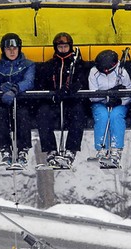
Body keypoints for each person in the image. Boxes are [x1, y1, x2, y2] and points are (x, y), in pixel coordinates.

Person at [35, 32, 87, 169]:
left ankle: (71, 150)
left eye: (65, 47)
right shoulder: (49, 66)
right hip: (54, 103)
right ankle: (51, 150)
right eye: (60, 47)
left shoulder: (77, 65)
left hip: (71, 102)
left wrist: (72, 89)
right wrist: (52, 94)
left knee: (78, 113)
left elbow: (82, 81)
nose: (63, 50)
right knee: (43, 113)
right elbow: (41, 84)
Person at [0, 33, 36, 168]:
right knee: (0, 115)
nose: (12, 52)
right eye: (8, 49)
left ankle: (23, 150)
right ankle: (5, 150)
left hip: (21, 101)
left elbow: (29, 81)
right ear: (3, 50)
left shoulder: (28, 65)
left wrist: (15, 89)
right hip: (3, 102)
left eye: (14, 48)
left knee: (22, 115)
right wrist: (1, 88)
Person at [88, 49, 131, 167]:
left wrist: (120, 100)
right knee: (102, 116)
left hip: (119, 104)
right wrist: (108, 96)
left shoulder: (121, 72)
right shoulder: (94, 72)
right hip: (100, 103)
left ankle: (116, 149)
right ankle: (102, 148)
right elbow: (93, 95)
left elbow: (129, 93)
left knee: (115, 116)